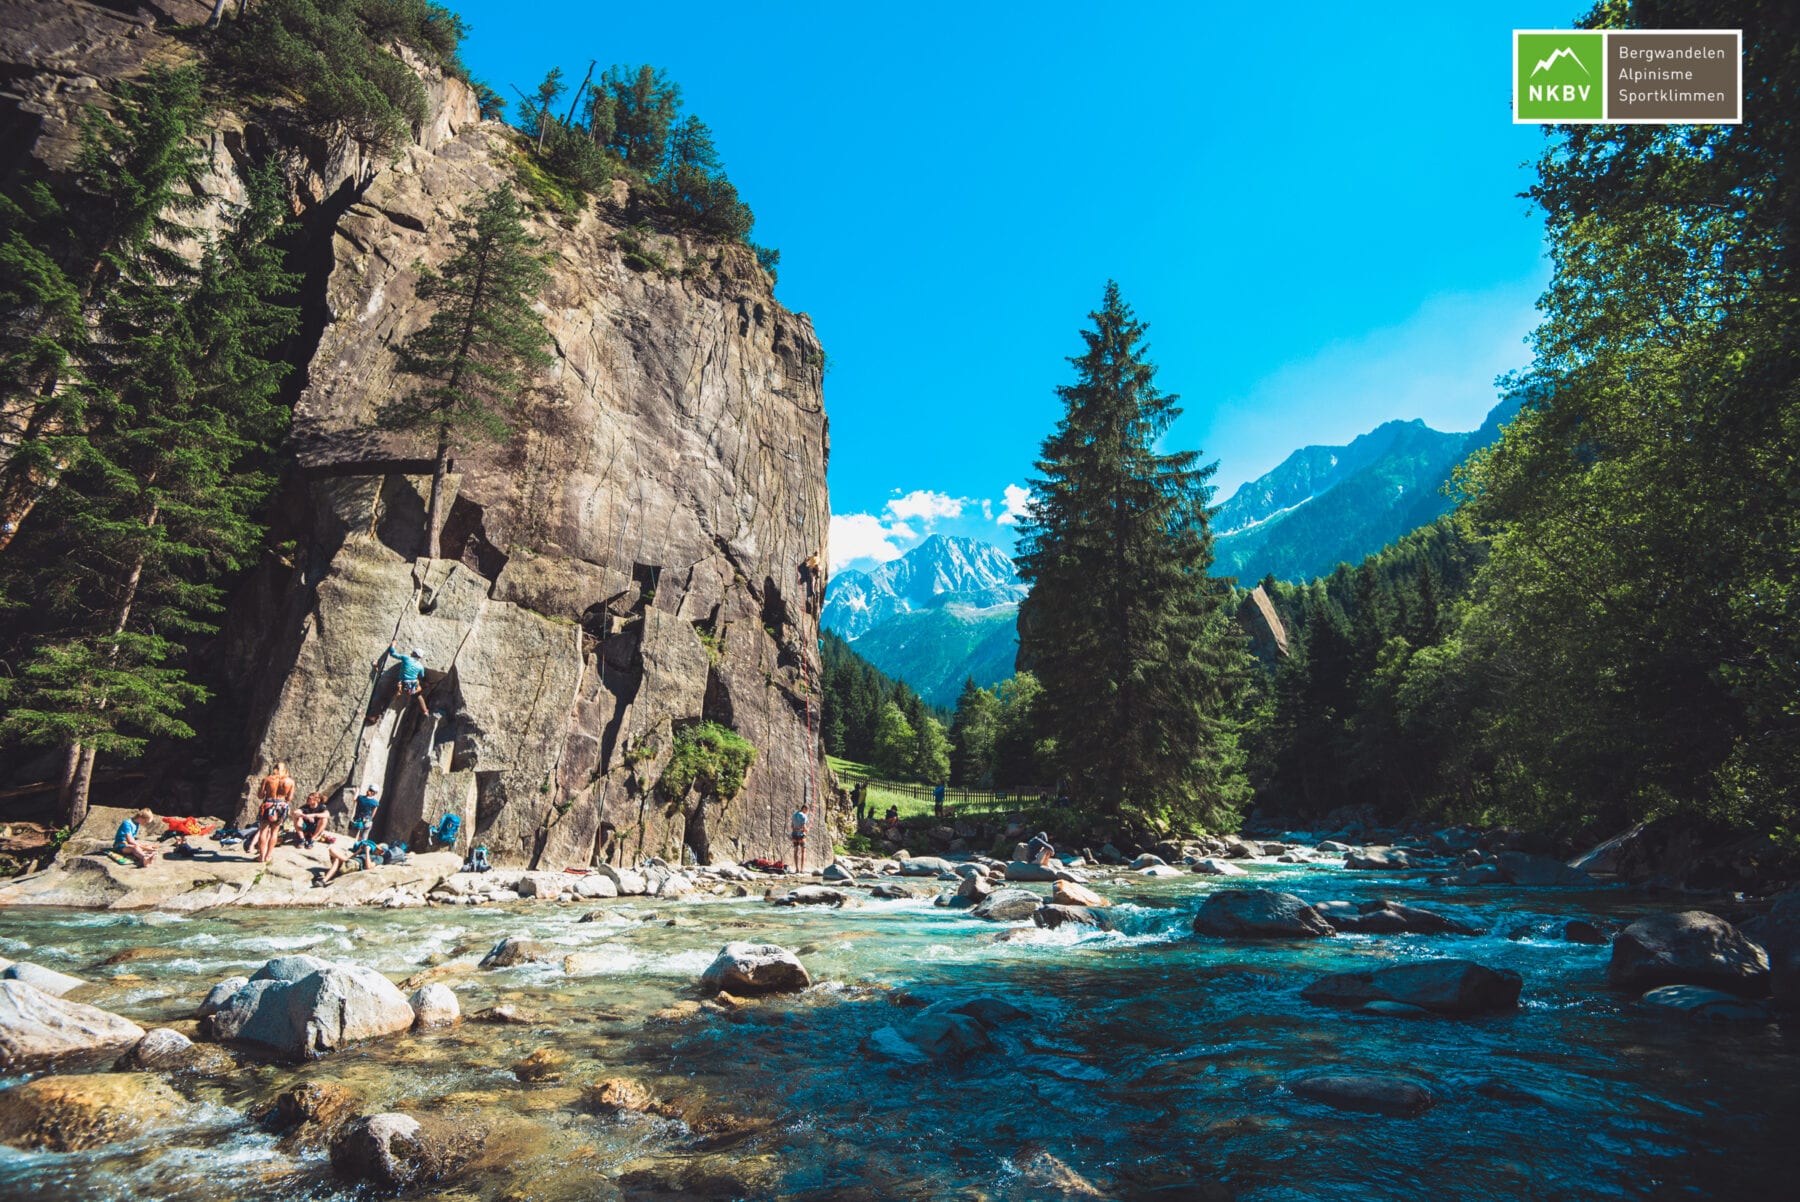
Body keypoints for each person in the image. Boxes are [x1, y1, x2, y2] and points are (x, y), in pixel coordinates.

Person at [369, 645, 430, 722]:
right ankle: (425, 711)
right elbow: (422, 675)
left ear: (414, 653)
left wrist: (393, 645)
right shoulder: (420, 666)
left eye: (412, 652)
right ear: (419, 657)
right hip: (411, 684)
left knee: (385, 695)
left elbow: (393, 654)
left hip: (401, 682)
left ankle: (373, 716)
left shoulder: (406, 658)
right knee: (418, 696)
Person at [251, 761, 294, 863]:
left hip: (267, 806)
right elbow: (290, 798)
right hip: (281, 806)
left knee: (263, 831)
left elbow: (260, 795)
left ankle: (261, 857)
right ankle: (268, 856)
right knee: (275, 832)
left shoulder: (267, 779)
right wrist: (282, 801)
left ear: (274, 769)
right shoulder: (290, 782)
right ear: (285, 770)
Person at [790, 806, 810, 872]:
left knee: (795, 851)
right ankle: (802, 869)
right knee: (803, 852)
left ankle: (796, 869)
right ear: (804, 809)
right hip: (801, 835)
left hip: (794, 835)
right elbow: (804, 827)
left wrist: (797, 829)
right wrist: (807, 830)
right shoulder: (803, 816)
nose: (806, 812)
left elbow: (792, 826)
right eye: (806, 810)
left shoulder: (794, 815)